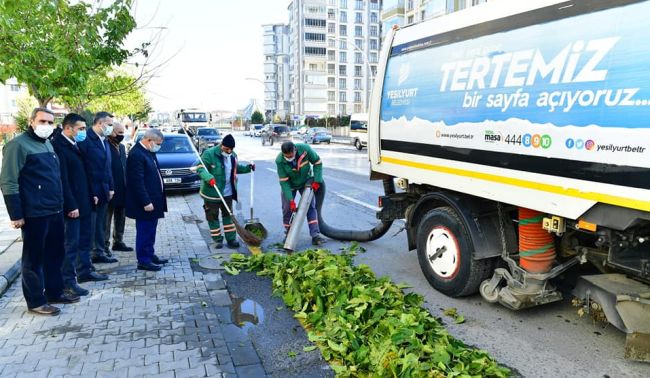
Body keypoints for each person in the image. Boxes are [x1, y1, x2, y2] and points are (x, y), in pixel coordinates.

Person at [0, 108, 79, 315]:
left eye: (50, 122)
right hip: (34, 213)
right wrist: (16, 214)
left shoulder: (47, 143)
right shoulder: (17, 145)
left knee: (55, 254)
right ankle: (36, 301)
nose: (46, 126)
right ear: (31, 121)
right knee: (33, 259)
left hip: (54, 210)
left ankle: (54, 292)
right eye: (42, 121)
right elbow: (8, 182)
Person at [52, 113, 109, 297]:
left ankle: (85, 270)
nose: (84, 132)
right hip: (73, 205)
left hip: (85, 201)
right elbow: (64, 180)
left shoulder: (75, 144)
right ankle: (68, 281)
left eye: (84, 128)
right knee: (71, 244)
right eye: (81, 129)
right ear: (68, 128)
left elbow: (86, 173)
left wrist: (92, 193)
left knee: (85, 239)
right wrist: (70, 204)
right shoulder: (59, 146)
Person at [194, 134, 253, 249]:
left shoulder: (233, 155)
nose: (229, 151)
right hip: (212, 193)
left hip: (228, 192)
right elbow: (200, 168)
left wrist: (248, 168)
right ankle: (217, 240)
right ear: (222, 145)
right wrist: (208, 177)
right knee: (212, 217)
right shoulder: (209, 154)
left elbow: (236, 169)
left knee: (228, 216)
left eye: (231, 149)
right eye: (227, 149)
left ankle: (231, 239)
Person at [125, 128, 168, 271]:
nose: (158, 146)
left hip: (154, 199)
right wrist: (146, 201)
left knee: (151, 230)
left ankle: (149, 254)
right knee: (144, 231)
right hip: (145, 202)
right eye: (157, 143)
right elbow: (137, 181)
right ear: (148, 140)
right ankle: (143, 260)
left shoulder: (149, 151)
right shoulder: (136, 154)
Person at [79, 111, 117, 264]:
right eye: (109, 124)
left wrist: (111, 186)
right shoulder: (86, 139)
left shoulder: (105, 140)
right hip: (92, 190)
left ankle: (99, 252)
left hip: (104, 189)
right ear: (100, 123)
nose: (111, 128)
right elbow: (85, 168)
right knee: (91, 225)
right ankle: (88, 258)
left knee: (101, 224)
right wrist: (91, 191)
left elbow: (108, 167)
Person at [276, 141, 325, 245]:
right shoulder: (279, 160)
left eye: (291, 155)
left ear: (295, 149)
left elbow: (317, 162)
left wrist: (317, 181)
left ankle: (315, 235)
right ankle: (288, 234)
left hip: (305, 182)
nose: (290, 158)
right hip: (290, 184)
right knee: (286, 208)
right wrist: (291, 200)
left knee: (310, 206)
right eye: (287, 157)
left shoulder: (305, 150)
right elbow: (284, 182)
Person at [105, 122, 133, 252]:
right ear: (111, 132)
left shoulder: (121, 147)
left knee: (120, 216)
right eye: (119, 132)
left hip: (122, 188)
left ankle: (118, 241)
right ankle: (104, 245)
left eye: (123, 132)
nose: (121, 135)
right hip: (109, 189)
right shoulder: (105, 145)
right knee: (106, 219)